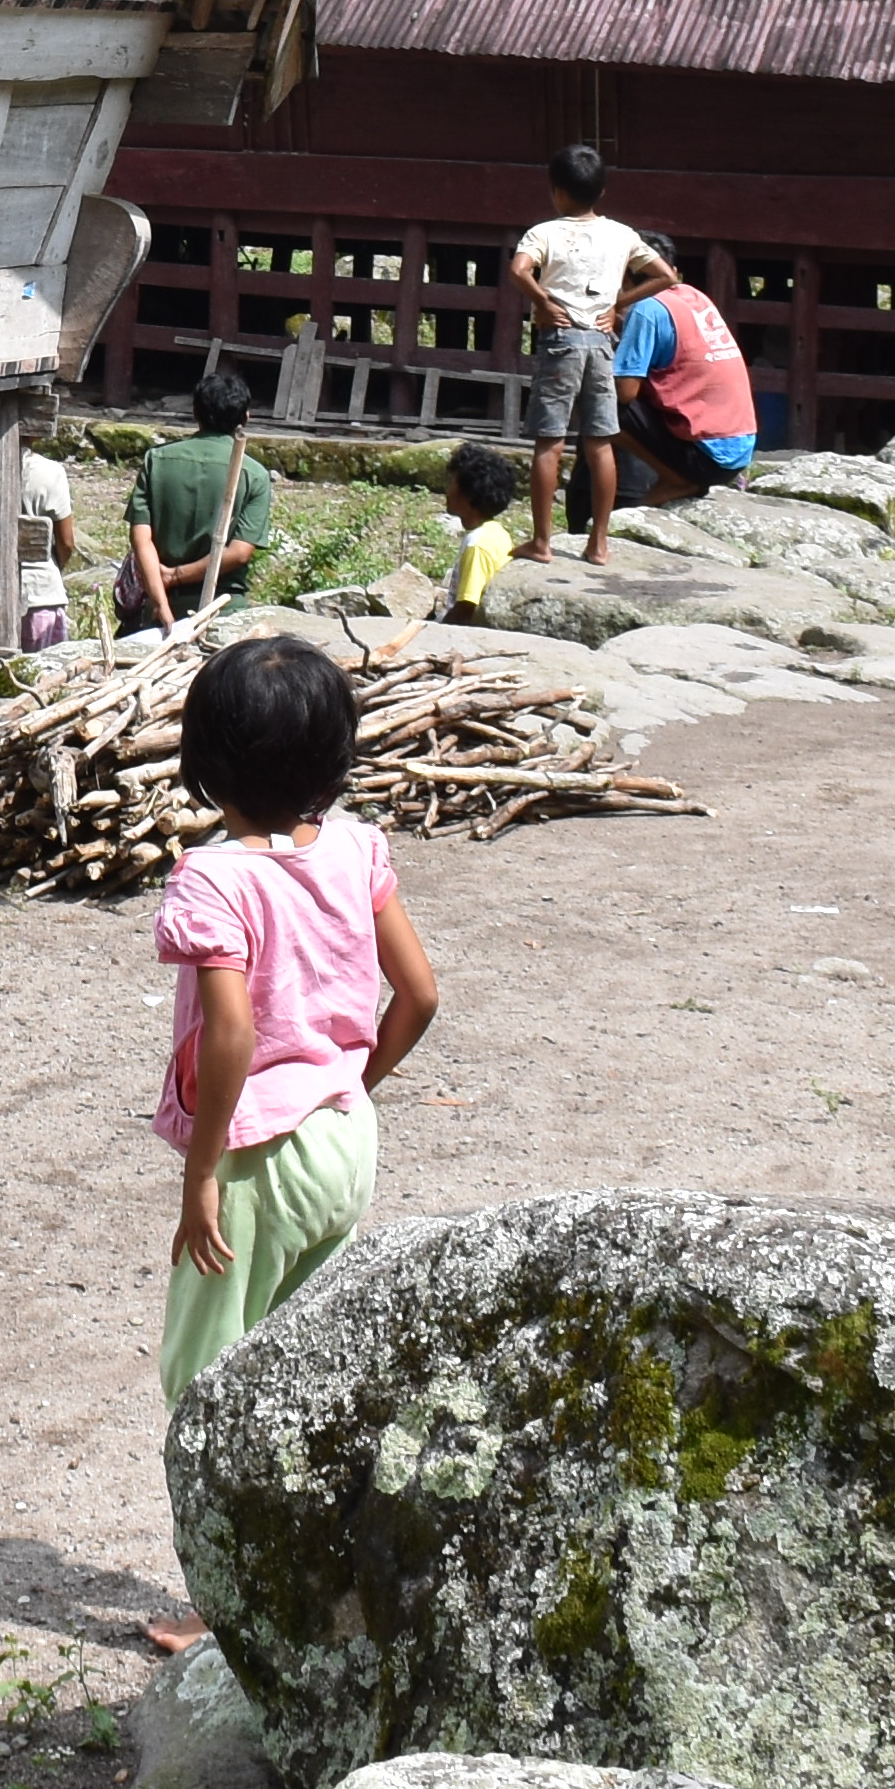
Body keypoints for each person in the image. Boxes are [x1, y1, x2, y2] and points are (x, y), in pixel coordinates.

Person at [147, 634, 438, 1398]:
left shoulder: (212, 879)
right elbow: (420, 995)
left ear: (207, 761)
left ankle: (205, 1513)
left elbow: (233, 1033)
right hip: (346, 1141)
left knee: (204, 1371)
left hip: (259, 1155)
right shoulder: (355, 850)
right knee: (300, 1362)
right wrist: (352, 1085)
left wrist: (203, 1172)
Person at [508, 146, 650, 572]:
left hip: (560, 341)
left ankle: (542, 542)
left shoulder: (545, 232)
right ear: (601, 190)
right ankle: (599, 545)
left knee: (550, 443)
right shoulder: (622, 234)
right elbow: (664, 274)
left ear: (556, 191)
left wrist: (543, 300)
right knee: (600, 443)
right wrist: (617, 303)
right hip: (600, 342)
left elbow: (518, 270)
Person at [114, 373, 276, 636]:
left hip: (160, 608)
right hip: (223, 610)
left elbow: (141, 539)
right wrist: (174, 575)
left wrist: (160, 600)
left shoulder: (156, 461)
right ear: (245, 417)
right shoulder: (254, 474)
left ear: (195, 413)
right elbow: (239, 553)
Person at [611, 243, 758, 504]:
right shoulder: (693, 295)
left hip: (706, 457)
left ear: (623, 277)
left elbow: (625, 393)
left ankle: (676, 479)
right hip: (738, 452)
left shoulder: (646, 308)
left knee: (596, 402)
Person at [441, 441, 534, 616]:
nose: (447, 491)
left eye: (452, 483)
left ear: (468, 495)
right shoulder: (497, 531)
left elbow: (466, 608)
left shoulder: (477, 545)